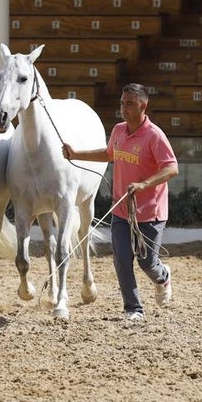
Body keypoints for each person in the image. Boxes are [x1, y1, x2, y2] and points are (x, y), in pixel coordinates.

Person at [62, 83, 179, 322]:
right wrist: (76, 154)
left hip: (150, 212)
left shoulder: (154, 135)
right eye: (122, 103)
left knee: (148, 263)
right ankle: (133, 309)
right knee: (122, 259)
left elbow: (171, 168)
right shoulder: (118, 130)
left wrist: (144, 185)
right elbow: (108, 154)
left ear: (143, 106)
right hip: (121, 210)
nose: (123, 108)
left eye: (129, 104)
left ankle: (163, 276)